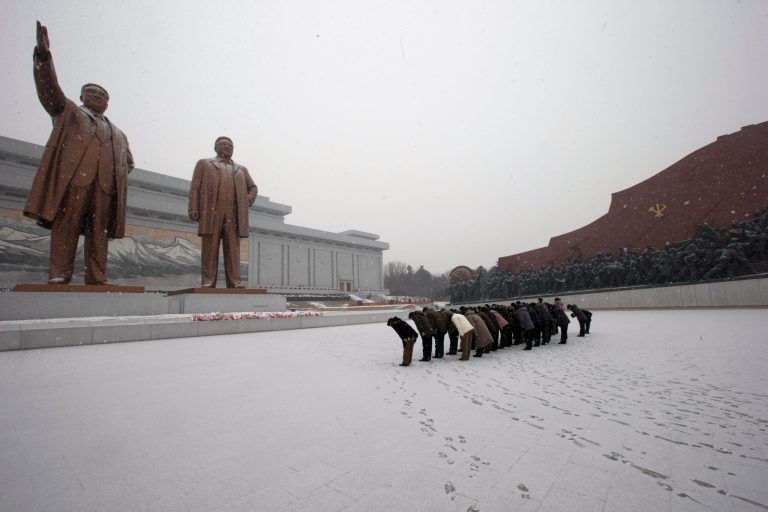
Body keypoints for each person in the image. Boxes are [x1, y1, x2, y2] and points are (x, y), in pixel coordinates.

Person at [24, 22, 134, 285]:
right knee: (67, 226)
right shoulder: (71, 114)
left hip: (104, 189)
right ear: (82, 95)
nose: (97, 96)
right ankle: (60, 273)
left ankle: (97, 277)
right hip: (75, 182)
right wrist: (44, 58)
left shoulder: (118, 134)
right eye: (92, 92)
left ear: (108, 103)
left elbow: (128, 163)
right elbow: (50, 93)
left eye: (102, 95)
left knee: (99, 233)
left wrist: (110, 171)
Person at [188, 137, 258, 288]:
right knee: (210, 248)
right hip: (212, 212)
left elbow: (253, 188)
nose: (228, 147)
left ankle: (235, 281)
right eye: (224, 144)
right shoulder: (205, 164)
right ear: (215, 148)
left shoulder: (241, 169)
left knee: (233, 249)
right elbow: (195, 187)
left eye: (230, 145)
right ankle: (208, 281)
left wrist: (247, 200)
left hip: (233, 215)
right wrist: (193, 207)